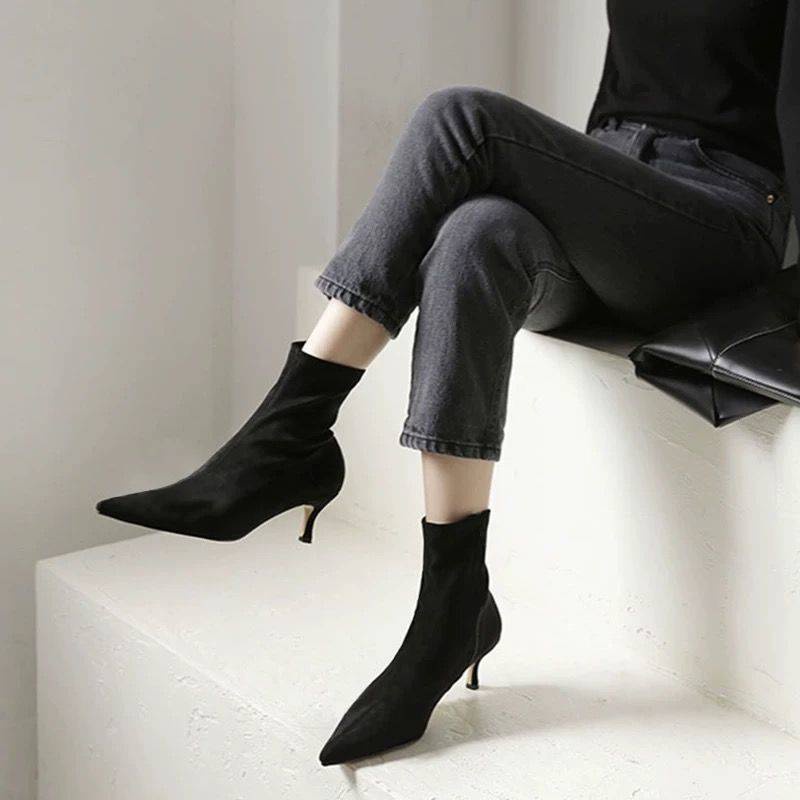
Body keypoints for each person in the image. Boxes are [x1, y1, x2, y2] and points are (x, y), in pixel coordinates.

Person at [97, 0, 798, 765]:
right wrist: (584, 191)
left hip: (721, 216)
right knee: (474, 235)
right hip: (622, 195)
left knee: (460, 116)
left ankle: (292, 430)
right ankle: (453, 604)